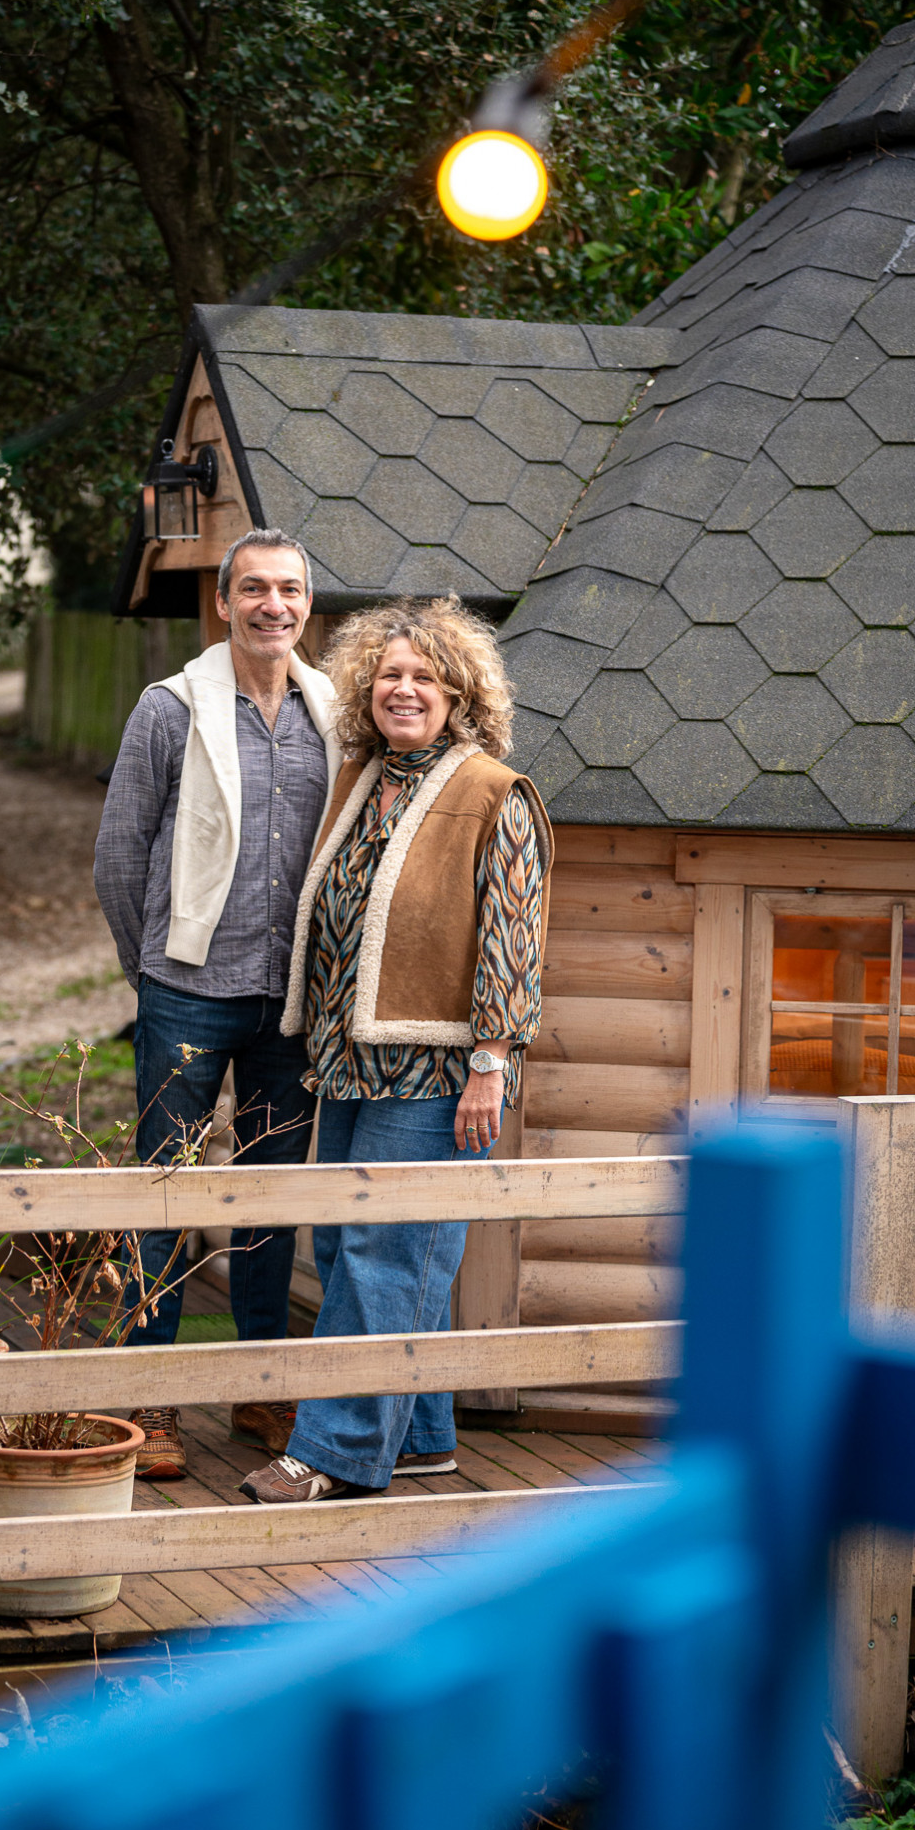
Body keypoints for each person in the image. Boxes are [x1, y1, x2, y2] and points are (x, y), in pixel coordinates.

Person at [238, 595, 551, 1504]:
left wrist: (490, 1061)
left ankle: (330, 1453)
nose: (402, 690)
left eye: (423, 677)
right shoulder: (360, 779)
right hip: (347, 1063)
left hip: (438, 1071)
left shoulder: (494, 791)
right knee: (347, 1247)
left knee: (388, 1251)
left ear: (459, 694)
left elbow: (512, 937)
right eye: (389, 676)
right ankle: (420, 1439)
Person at [94, 528, 341, 1480]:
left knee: (269, 1198)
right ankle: (148, 1397)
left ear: (305, 605)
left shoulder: (334, 715)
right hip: (188, 990)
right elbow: (120, 856)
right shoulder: (171, 709)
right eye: (253, 589)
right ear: (225, 604)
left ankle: (259, 1385)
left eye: (288, 589)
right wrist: (150, 971)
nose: (271, 604)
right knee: (165, 1190)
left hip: (291, 1001)